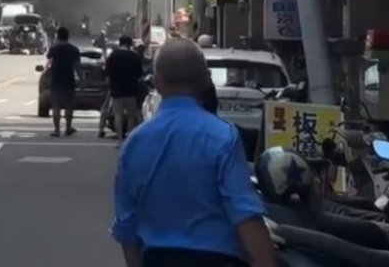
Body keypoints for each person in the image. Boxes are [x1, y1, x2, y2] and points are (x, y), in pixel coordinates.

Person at [111, 38, 277, 267]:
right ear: (205, 80)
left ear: (157, 83)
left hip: (158, 259)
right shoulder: (222, 137)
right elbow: (246, 215)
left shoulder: (134, 143)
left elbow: (126, 225)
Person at [105, 35, 144, 142]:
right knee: (131, 116)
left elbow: (107, 73)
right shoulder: (134, 56)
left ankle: (119, 139)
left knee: (118, 115)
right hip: (131, 91)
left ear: (120, 43)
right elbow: (140, 74)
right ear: (130, 44)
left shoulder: (113, 56)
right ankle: (129, 139)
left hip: (116, 90)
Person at [46, 25, 81, 138]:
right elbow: (77, 66)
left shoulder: (54, 48)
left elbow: (49, 59)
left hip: (56, 79)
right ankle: (68, 127)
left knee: (56, 105)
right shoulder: (74, 49)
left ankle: (56, 130)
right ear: (68, 36)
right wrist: (80, 79)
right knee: (69, 105)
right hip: (68, 79)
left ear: (57, 36)